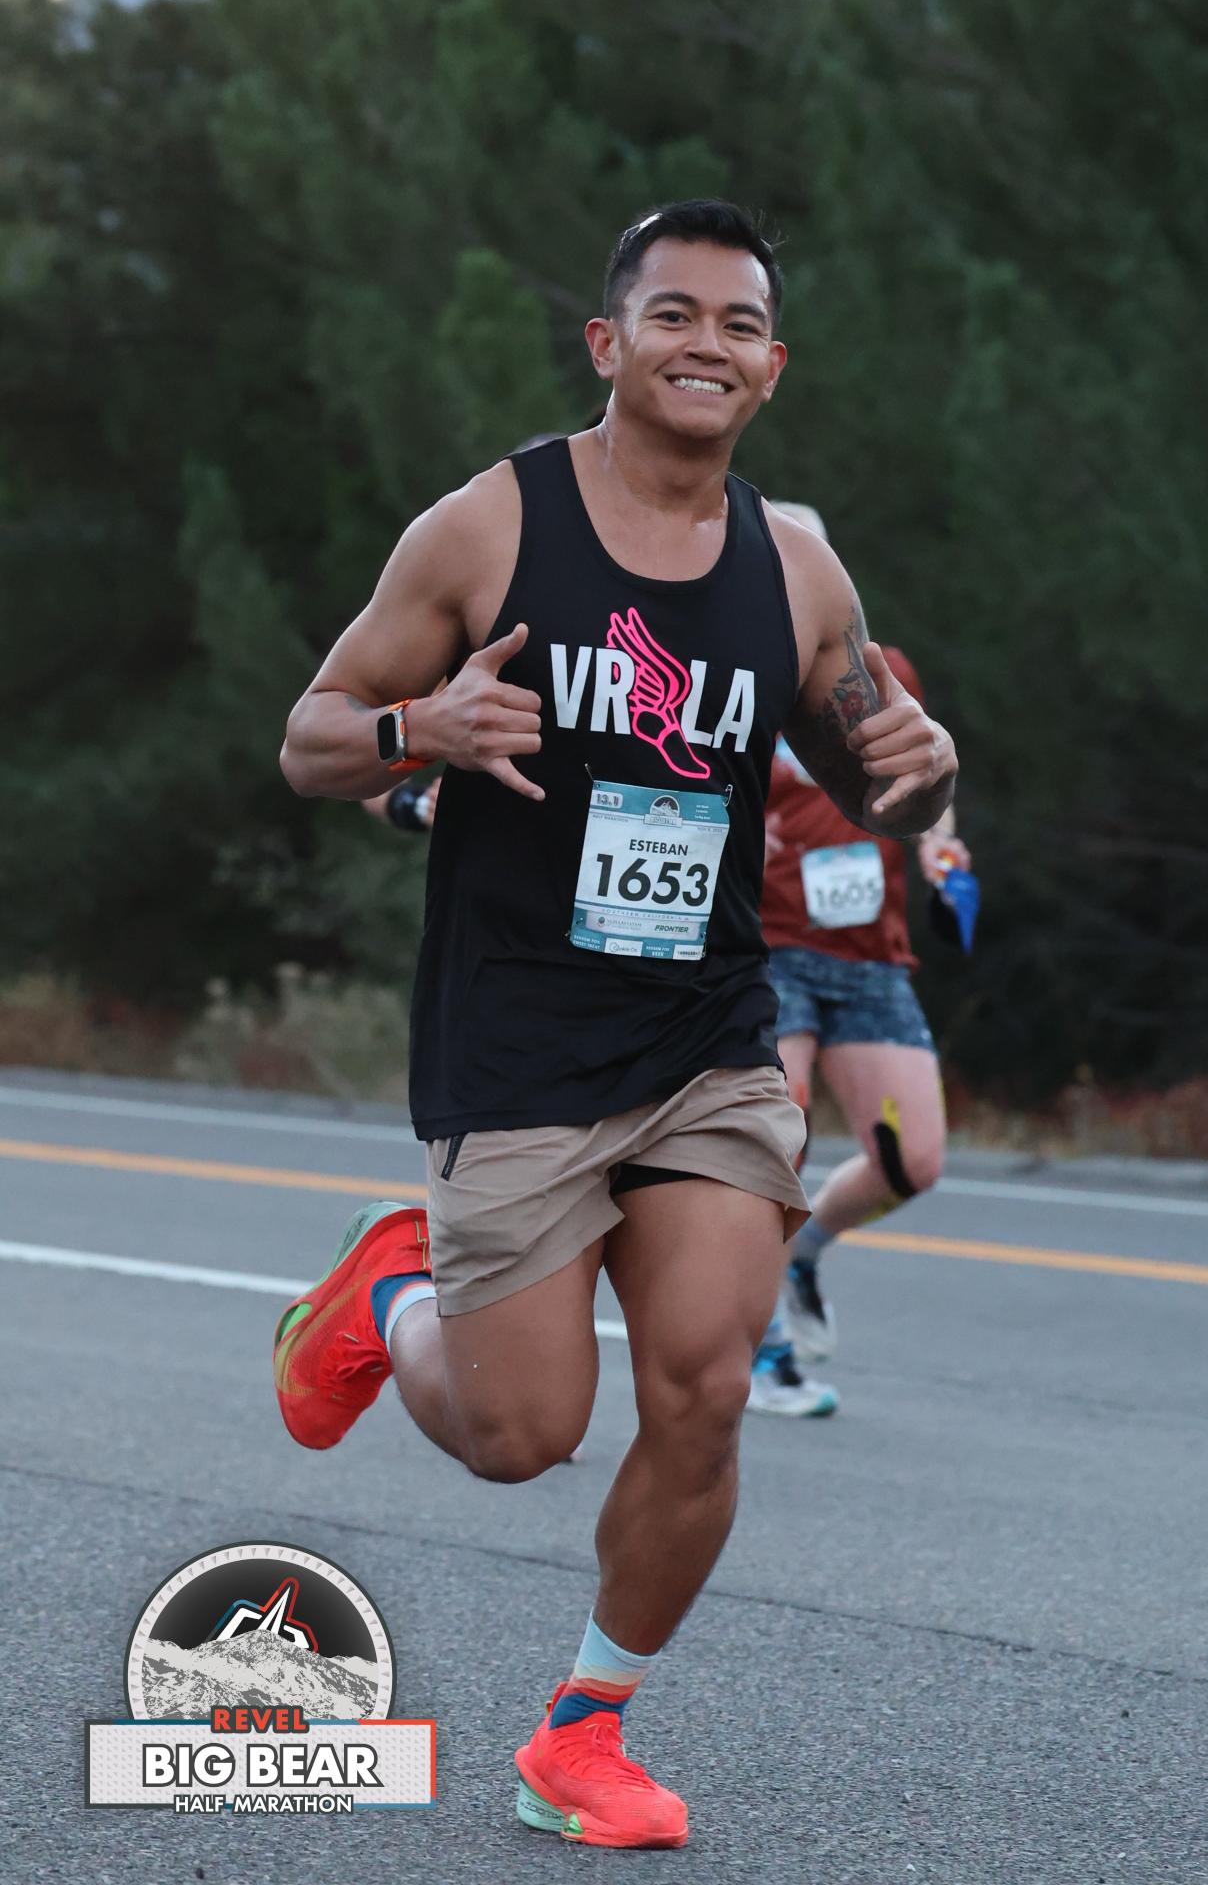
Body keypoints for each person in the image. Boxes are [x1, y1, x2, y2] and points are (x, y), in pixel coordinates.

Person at [271, 201, 957, 1850]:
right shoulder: (487, 529)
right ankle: (391, 1290)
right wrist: (418, 728)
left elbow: (872, 761)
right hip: (516, 1031)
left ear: (772, 368)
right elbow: (309, 738)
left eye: (740, 325)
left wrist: (920, 771)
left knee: (705, 1388)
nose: (707, 344)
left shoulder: (798, 571)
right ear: (610, 342)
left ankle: (583, 1732)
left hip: (706, 1034)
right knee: (522, 1436)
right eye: (674, 315)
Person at [743, 504, 970, 1411]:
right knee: (777, 1140)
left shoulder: (877, 670)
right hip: (768, 945)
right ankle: (762, 1350)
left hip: (870, 953)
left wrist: (941, 845)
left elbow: (923, 773)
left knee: (914, 1160)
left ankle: (802, 1258)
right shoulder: (721, 675)